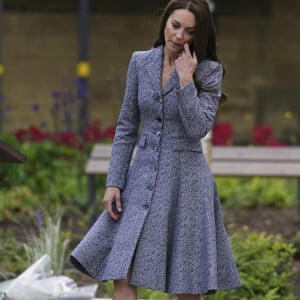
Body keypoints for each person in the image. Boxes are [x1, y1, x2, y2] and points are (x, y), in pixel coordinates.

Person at [70, 0, 240, 299]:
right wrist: (114, 182)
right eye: (175, 25)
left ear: (198, 36)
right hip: (141, 177)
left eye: (190, 32)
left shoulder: (210, 71)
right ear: (165, 21)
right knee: (121, 268)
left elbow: (198, 128)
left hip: (186, 183)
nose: (179, 36)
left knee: (186, 282)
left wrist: (187, 81)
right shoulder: (140, 62)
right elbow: (126, 127)